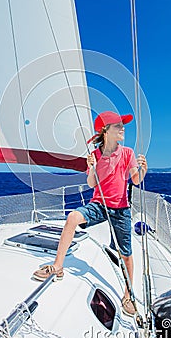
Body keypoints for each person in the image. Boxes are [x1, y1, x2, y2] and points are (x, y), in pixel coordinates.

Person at [32, 110, 148, 317]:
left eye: (123, 126)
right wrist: (92, 168)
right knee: (72, 217)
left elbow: (136, 180)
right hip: (99, 205)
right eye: (118, 126)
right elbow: (91, 183)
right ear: (106, 131)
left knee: (126, 254)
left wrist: (143, 170)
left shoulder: (128, 153)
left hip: (121, 209)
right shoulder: (95, 156)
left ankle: (128, 294)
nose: (123, 129)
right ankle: (57, 266)